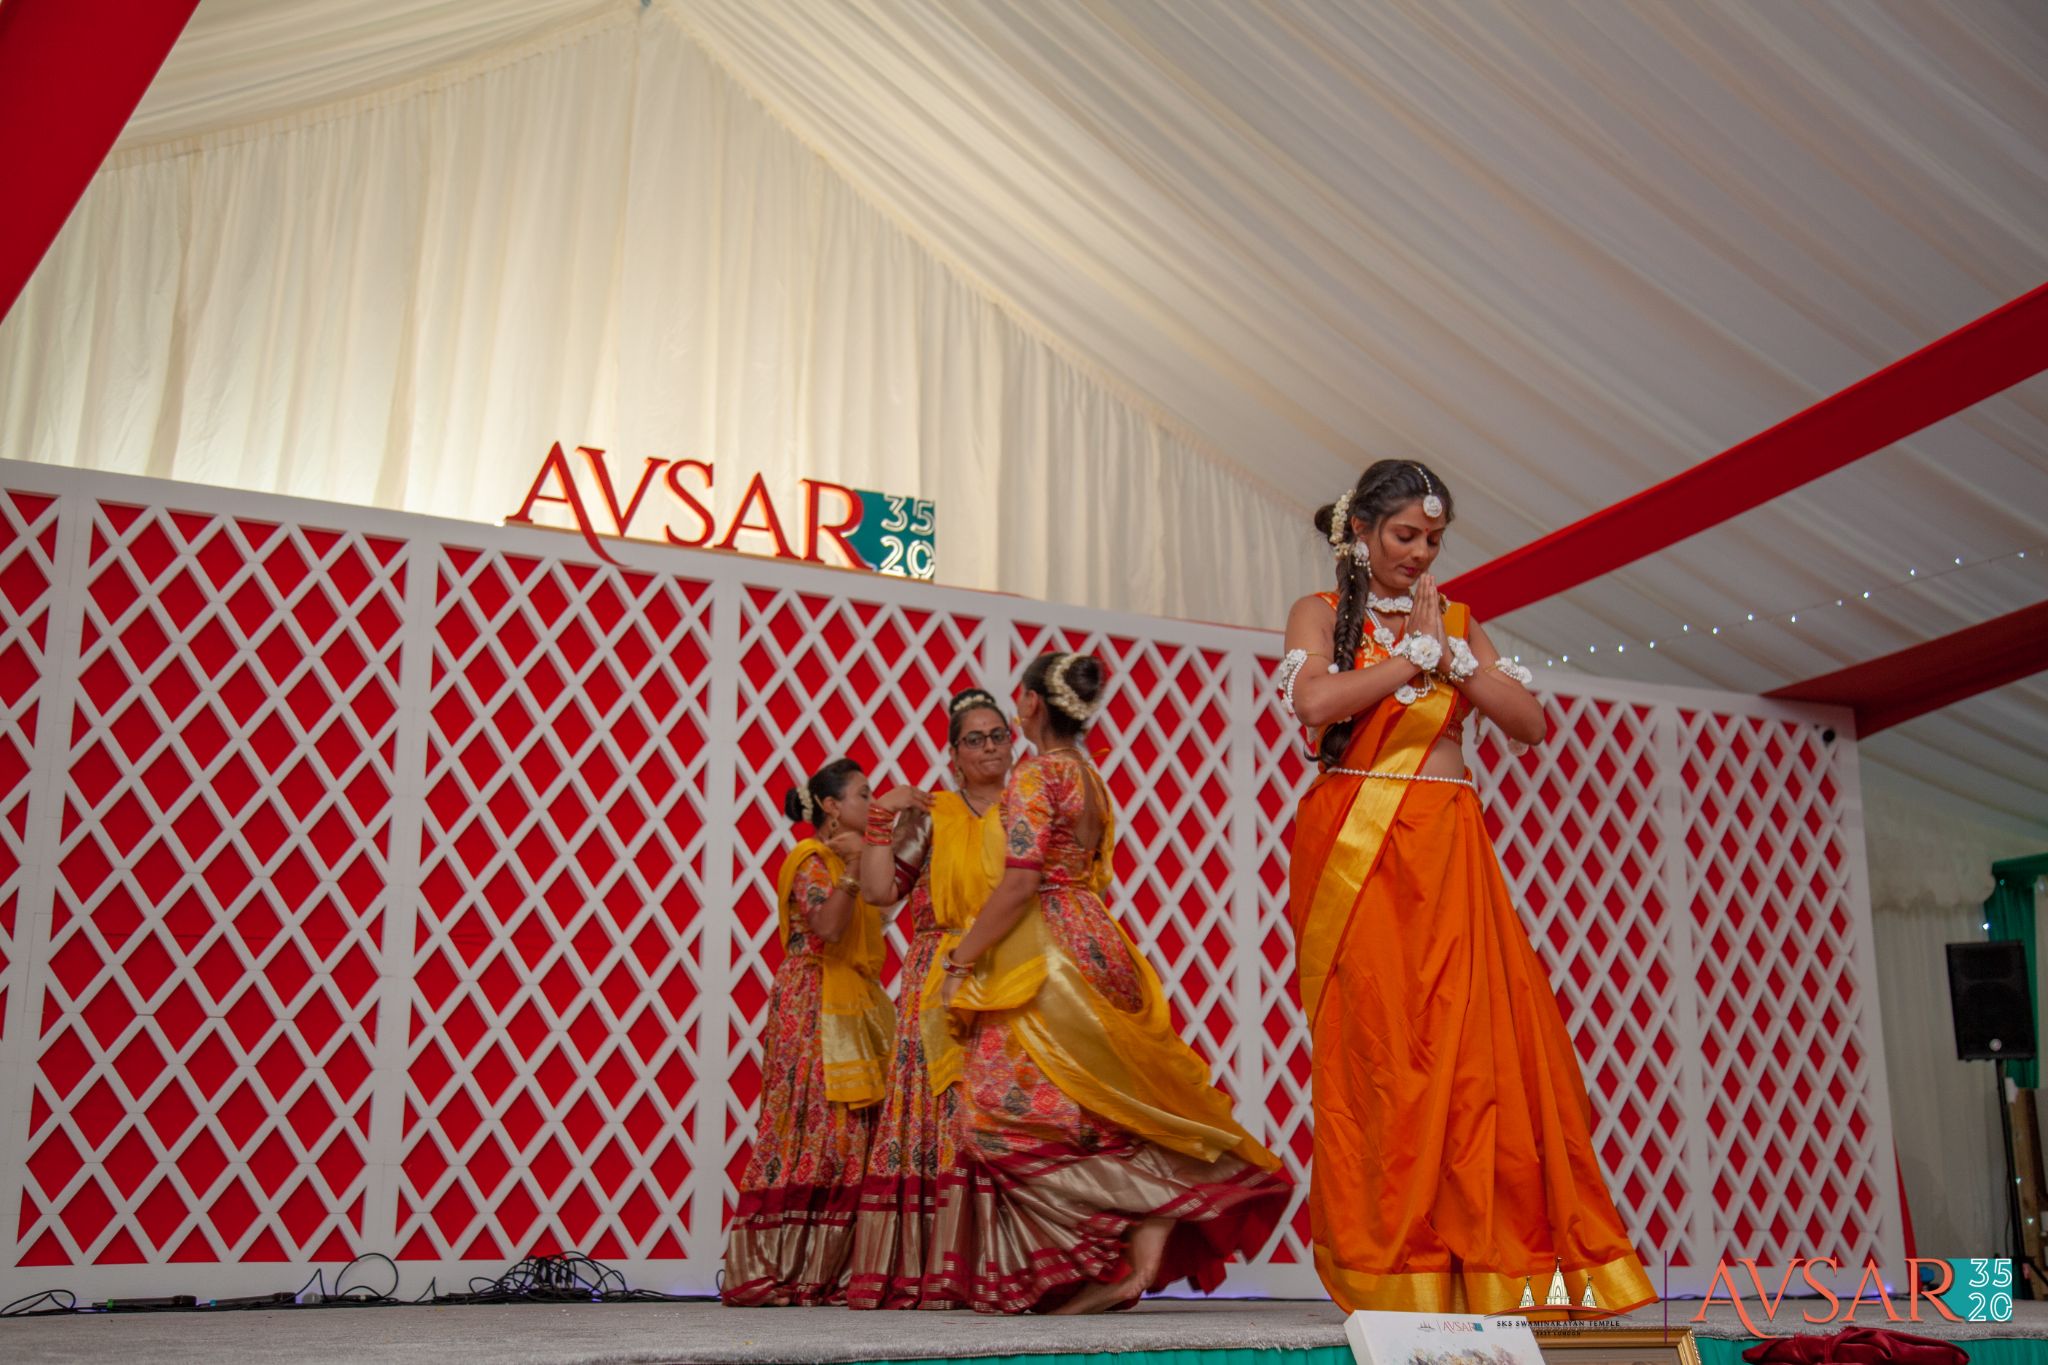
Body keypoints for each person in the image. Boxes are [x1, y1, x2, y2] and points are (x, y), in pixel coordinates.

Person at [1277, 459, 1655, 1315]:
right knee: (1383, 1055)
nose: (1419, 551)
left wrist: (1446, 654)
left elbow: (1529, 724)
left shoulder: (1457, 620)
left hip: (1450, 847)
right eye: (1405, 534)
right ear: (1361, 534)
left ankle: (1490, 1257)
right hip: (1359, 851)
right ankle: (1393, 1262)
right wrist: (1403, 660)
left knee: (1478, 1055)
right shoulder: (1321, 612)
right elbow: (1315, 703)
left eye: (1433, 539)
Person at [937, 653, 1292, 1315]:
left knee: (993, 1113)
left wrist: (963, 957)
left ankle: (1115, 1232)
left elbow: (1019, 881)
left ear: (1032, 704)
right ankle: (1141, 1253)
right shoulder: (1088, 775)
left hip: (1047, 954)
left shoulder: (1035, 775)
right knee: (1114, 1106)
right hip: (1101, 938)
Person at [845, 687, 1014, 1310]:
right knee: (938, 1110)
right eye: (975, 738)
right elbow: (880, 892)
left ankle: (1007, 1266)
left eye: (998, 734)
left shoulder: (1029, 807)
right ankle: (934, 1266)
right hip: (938, 975)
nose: (990, 747)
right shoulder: (933, 814)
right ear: (953, 753)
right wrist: (883, 818)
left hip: (1012, 971)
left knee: (1005, 1107)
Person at [721, 760, 897, 1306]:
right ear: (830, 807)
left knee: (850, 1137)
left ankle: (832, 1273)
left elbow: (885, 901)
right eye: (864, 795)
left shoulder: (856, 857)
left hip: (854, 1004)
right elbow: (826, 926)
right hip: (814, 1004)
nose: (872, 804)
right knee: (808, 1129)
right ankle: (768, 1272)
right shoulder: (810, 860)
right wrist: (847, 868)